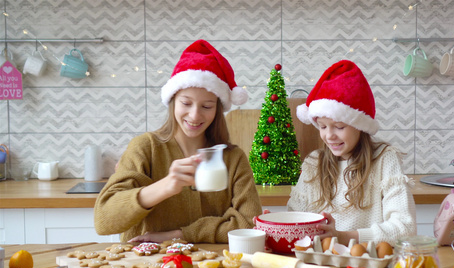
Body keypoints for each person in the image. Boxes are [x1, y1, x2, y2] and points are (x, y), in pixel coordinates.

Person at [94, 39, 262, 243]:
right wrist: (165, 186)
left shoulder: (233, 159)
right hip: (150, 267)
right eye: (186, 103)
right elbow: (104, 220)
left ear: (217, 109)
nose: (194, 115)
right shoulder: (146, 148)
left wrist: (180, 235)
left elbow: (249, 225)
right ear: (173, 101)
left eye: (207, 106)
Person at [287, 60, 416, 246]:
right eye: (322, 126)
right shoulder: (314, 163)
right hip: (320, 265)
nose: (329, 135)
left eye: (339, 126)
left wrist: (345, 237)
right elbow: (295, 216)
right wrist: (275, 226)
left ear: (359, 126)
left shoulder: (384, 159)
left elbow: (405, 228)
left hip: (369, 265)